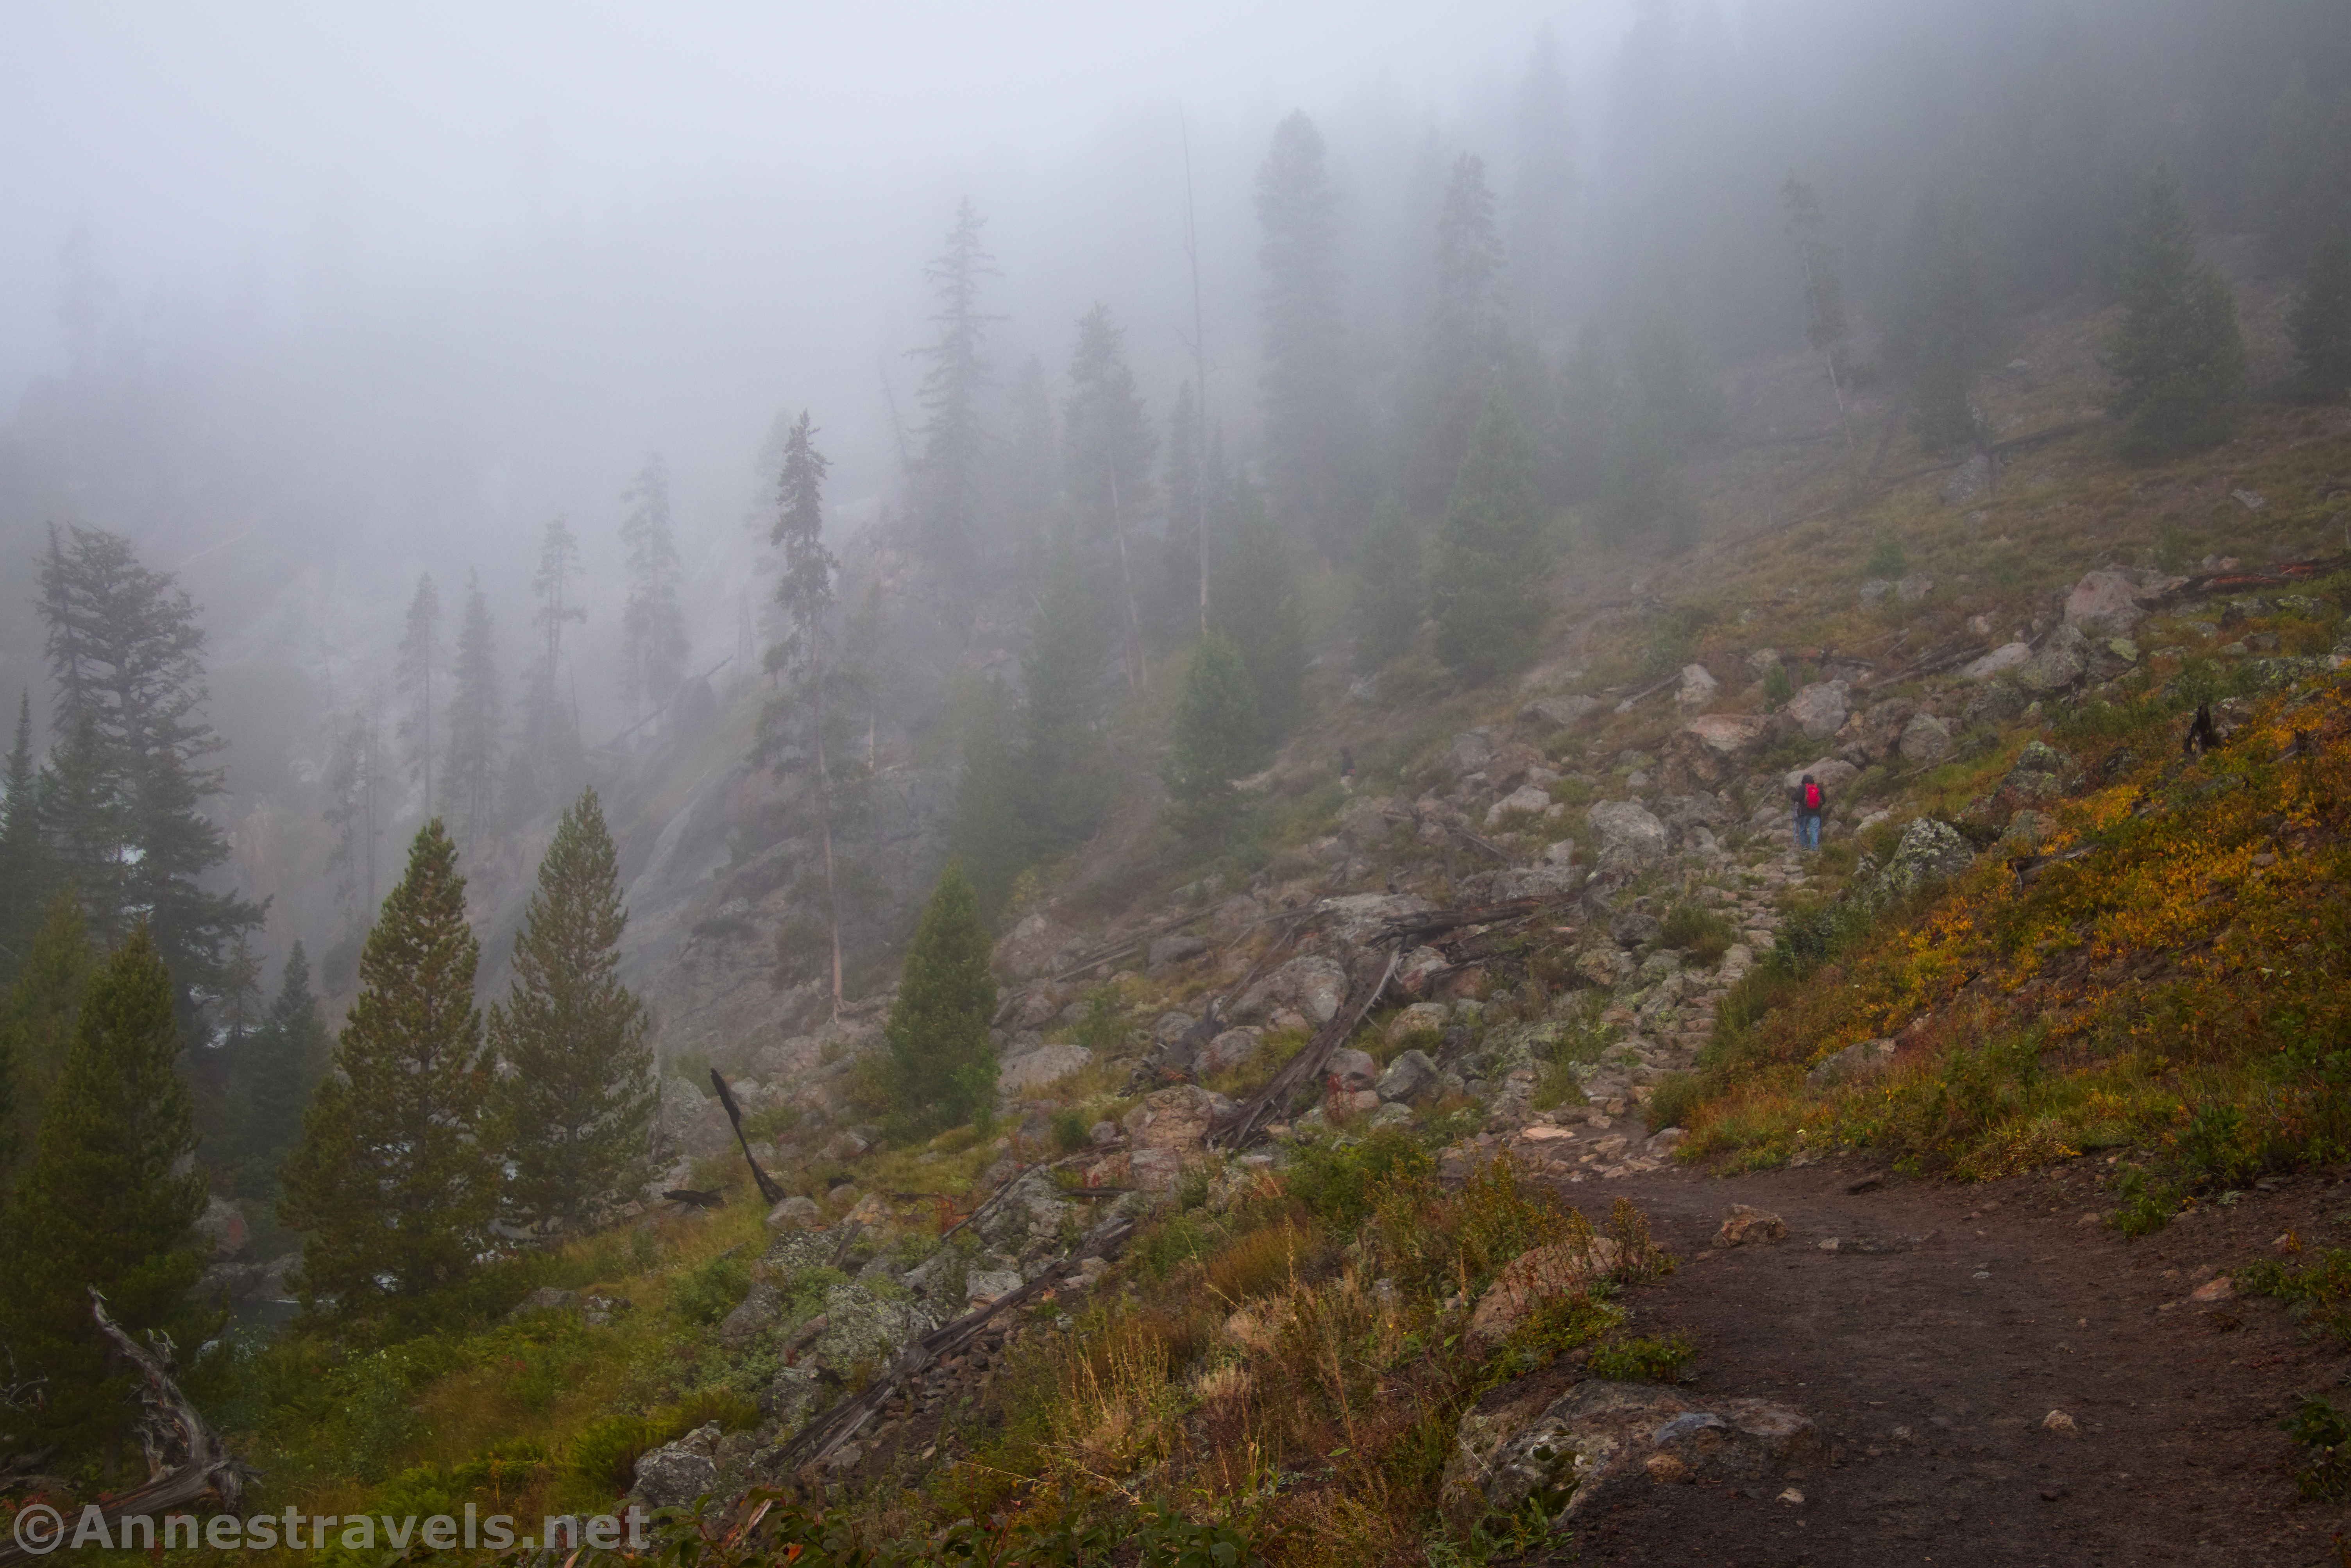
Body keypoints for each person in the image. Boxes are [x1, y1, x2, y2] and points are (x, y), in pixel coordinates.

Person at [1790, 772, 1825, 851]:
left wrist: (1793, 797)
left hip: (1803, 813)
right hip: (1816, 813)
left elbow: (1797, 798)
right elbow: (1824, 800)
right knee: (1814, 830)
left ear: (1804, 781)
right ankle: (1814, 848)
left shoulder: (1802, 788)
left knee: (1803, 829)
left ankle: (1805, 846)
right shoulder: (1818, 788)